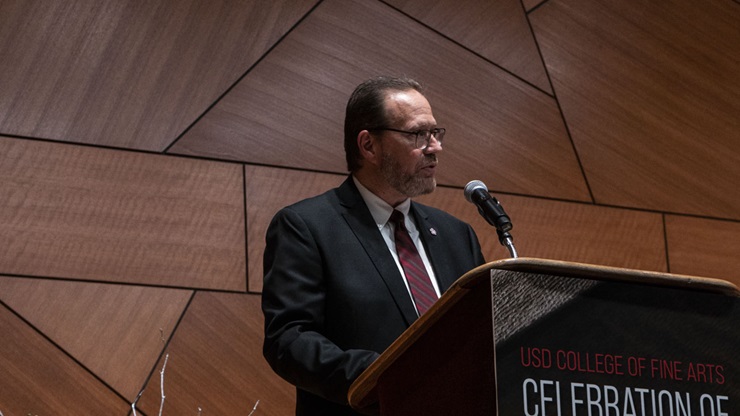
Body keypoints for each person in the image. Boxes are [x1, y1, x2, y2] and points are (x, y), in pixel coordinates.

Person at [261, 76, 486, 415]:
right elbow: (289, 341)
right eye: (417, 134)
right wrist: (383, 377)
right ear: (368, 146)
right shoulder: (308, 227)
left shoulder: (456, 235)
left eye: (436, 133)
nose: (435, 147)